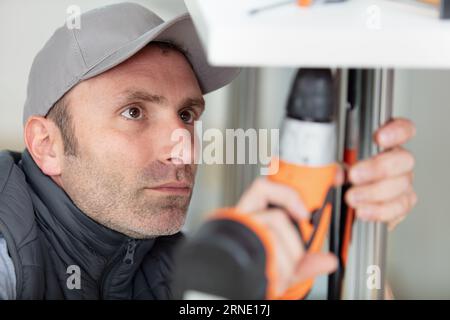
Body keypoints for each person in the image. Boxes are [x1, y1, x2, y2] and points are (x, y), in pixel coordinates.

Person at [0, 2, 417, 299]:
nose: (182, 150)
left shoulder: (169, 261)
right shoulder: (8, 247)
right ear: (46, 144)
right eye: (134, 112)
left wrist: (352, 232)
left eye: (186, 115)